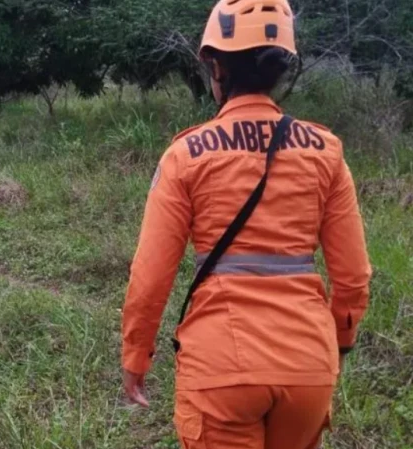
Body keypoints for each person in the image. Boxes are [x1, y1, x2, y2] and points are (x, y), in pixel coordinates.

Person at [120, 0, 372, 448]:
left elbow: (150, 276)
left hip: (220, 370)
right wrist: (340, 343)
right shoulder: (326, 152)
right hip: (309, 367)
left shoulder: (185, 155)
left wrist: (137, 355)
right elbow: (352, 278)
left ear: (216, 68)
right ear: (280, 70)